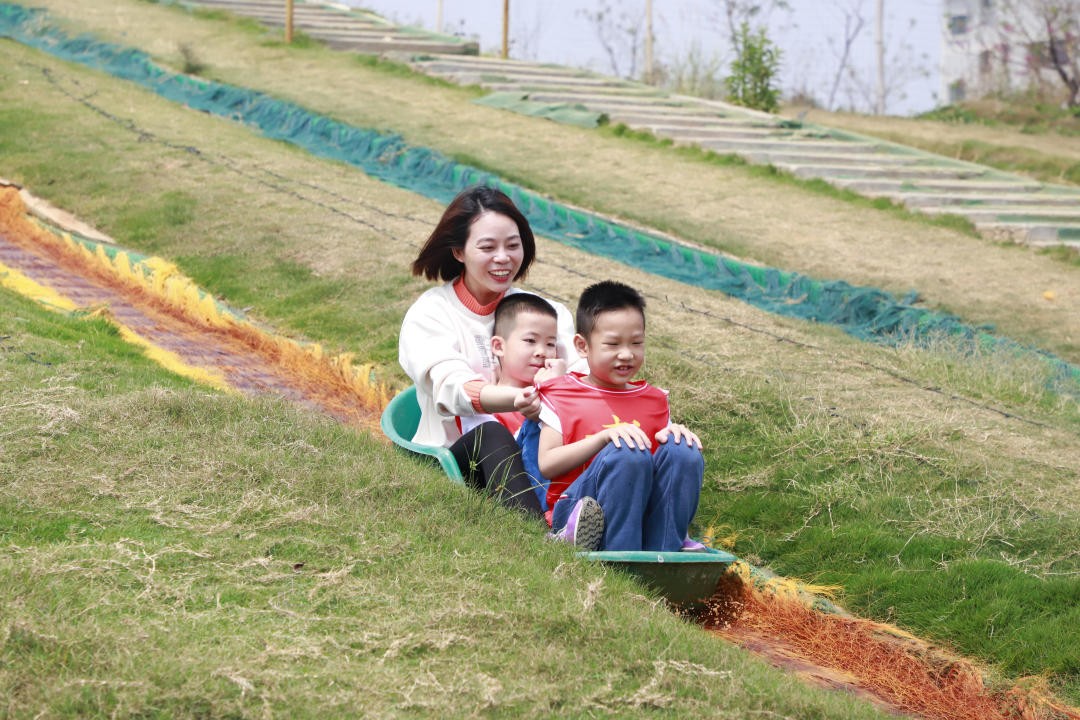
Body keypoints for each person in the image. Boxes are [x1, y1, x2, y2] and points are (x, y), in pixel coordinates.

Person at [398, 185, 582, 519]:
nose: (503, 258)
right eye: (487, 247)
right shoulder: (431, 314)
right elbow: (451, 387)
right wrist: (519, 399)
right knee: (492, 435)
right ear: (458, 251)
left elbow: (586, 376)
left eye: (512, 245)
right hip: (461, 464)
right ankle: (537, 538)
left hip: (541, 455)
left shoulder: (547, 314)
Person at [537, 280, 706, 552]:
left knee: (681, 449)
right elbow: (547, 464)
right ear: (582, 345)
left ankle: (667, 547)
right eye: (612, 344)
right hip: (578, 505)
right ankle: (617, 551)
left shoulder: (654, 400)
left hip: (638, 510)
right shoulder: (564, 394)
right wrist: (602, 438)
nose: (626, 354)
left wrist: (676, 435)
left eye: (636, 343)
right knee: (626, 450)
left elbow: (665, 465)